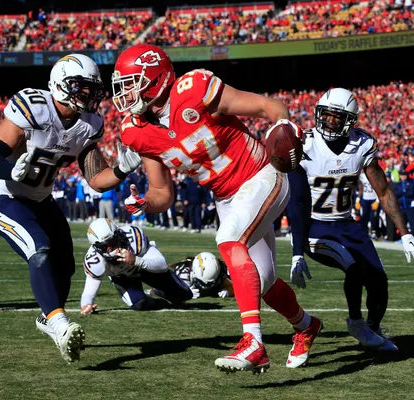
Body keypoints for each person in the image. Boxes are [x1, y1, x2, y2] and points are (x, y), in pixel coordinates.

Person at [112, 44, 321, 372]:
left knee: (228, 239)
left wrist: (284, 125)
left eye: (129, 82)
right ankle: (306, 325)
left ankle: (253, 343)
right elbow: (162, 192)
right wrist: (145, 202)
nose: (123, 93)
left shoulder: (194, 89)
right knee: (260, 283)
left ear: (154, 79)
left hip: (261, 172)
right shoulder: (137, 131)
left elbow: (267, 105)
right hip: (226, 198)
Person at [0, 54, 142, 363]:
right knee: (39, 249)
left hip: (41, 200)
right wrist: (9, 170)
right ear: (60, 84)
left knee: (65, 264)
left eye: (93, 89)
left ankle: (49, 318)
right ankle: (59, 323)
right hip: (6, 196)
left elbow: (96, 180)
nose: (90, 96)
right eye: (82, 88)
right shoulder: (35, 107)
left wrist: (122, 169)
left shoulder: (88, 124)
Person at [288, 88, 414, 352]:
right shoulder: (304, 143)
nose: (329, 121)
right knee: (354, 267)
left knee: (379, 281)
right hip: (314, 225)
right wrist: (296, 248)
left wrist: (406, 234)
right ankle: (355, 322)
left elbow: (383, 191)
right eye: (326, 115)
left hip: (346, 223)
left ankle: (372, 330)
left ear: (349, 120)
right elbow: (293, 198)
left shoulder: (361, 144)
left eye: (336, 117)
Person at [80, 218, 193, 314]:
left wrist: (136, 260)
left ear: (118, 235)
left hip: (146, 269)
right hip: (122, 277)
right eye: (105, 246)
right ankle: (158, 301)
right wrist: (86, 305)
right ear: (97, 247)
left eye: (113, 241)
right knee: (138, 304)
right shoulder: (95, 260)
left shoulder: (133, 238)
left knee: (185, 294)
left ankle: (160, 291)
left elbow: (162, 265)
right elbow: (88, 292)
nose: (111, 248)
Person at [169, 252, 234, 299]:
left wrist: (228, 290)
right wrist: (184, 293)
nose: (207, 287)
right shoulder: (183, 274)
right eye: (202, 282)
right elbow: (167, 291)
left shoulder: (222, 270)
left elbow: (238, 285)